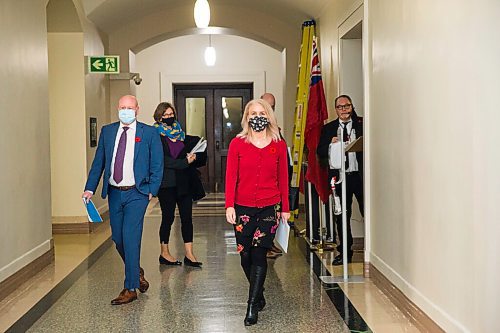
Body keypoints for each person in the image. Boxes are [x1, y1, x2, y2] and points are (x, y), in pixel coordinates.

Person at [82, 95, 163, 305]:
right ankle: (136, 272)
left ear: (137, 109)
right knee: (117, 238)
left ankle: (130, 288)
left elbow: (157, 164)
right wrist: (89, 188)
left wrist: (151, 190)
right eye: (122, 107)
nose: (125, 111)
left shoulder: (149, 133)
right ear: (117, 109)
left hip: (137, 193)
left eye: (129, 107)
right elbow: (98, 162)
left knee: (130, 237)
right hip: (115, 192)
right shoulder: (108, 132)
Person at [225, 98, 290, 326]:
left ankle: (252, 305)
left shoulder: (278, 144)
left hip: (269, 207)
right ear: (246, 117)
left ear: (269, 116)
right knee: (245, 256)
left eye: (261, 112)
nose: (257, 117)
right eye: (253, 113)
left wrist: (286, 209)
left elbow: (283, 177)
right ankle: (258, 293)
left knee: (259, 253)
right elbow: (231, 176)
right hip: (242, 207)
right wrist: (229, 205)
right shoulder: (237, 144)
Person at [153, 102, 207, 268]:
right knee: (167, 218)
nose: (169, 118)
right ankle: (164, 252)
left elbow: (195, 153)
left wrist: (194, 157)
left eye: (171, 114)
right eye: (165, 115)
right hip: (166, 184)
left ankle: (189, 254)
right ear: (159, 117)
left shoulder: (181, 134)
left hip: (184, 183)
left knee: (187, 218)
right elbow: (163, 160)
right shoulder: (155, 135)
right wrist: (184, 162)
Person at [317, 94, 364, 265]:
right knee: (342, 216)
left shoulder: (361, 124)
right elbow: (320, 152)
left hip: (359, 177)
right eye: (340, 107)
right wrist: (331, 144)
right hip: (340, 179)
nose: (344, 110)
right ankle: (344, 251)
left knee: (368, 211)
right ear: (336, 109)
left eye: (347, 106)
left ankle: (372, 251)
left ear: (352, 107)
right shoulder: (329, 128)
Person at [260, 93, 289, 259]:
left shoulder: (275, 129)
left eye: (272, 106)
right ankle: (265, 246)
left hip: (275, 183)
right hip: (261, 184)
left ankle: (269, 243)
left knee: (273, 218)